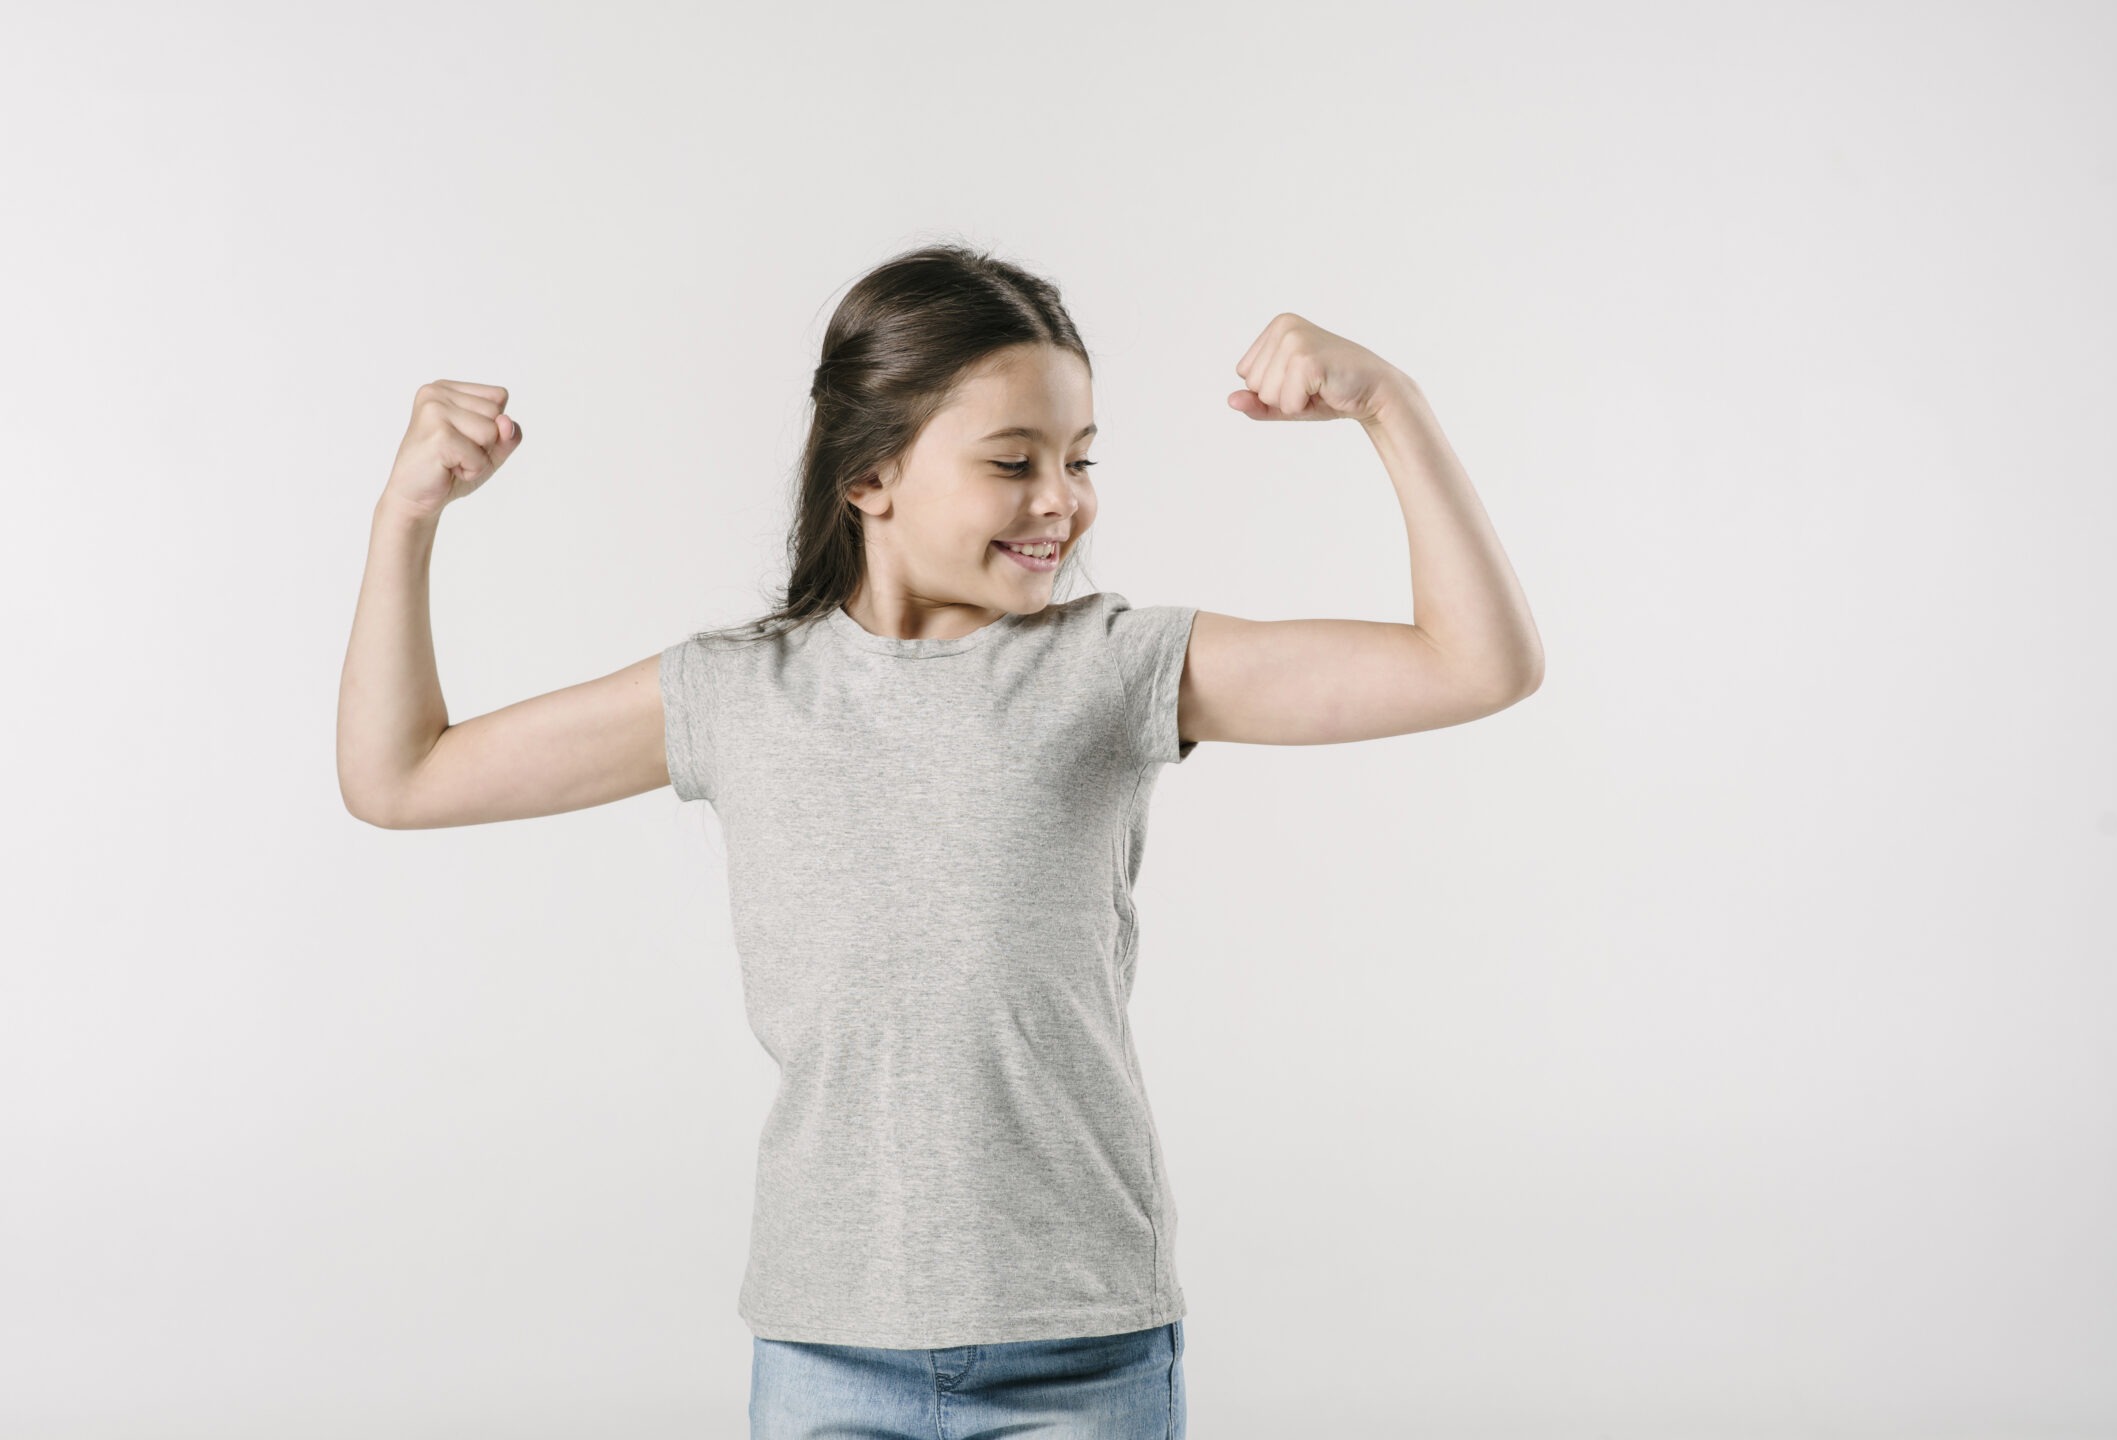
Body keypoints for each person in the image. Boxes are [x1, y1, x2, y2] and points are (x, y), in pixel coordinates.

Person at [334, 243, 1543, 1439]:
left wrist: (1392, 406)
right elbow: (400, 776)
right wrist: (406, 516)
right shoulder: (734, 694)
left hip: (1079, 1344)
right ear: (869, 478)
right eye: (1014, 461)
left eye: (1078, 459)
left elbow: (1474, 664)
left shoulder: (1112, 665)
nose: (1061, 498)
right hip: (826, 1349)